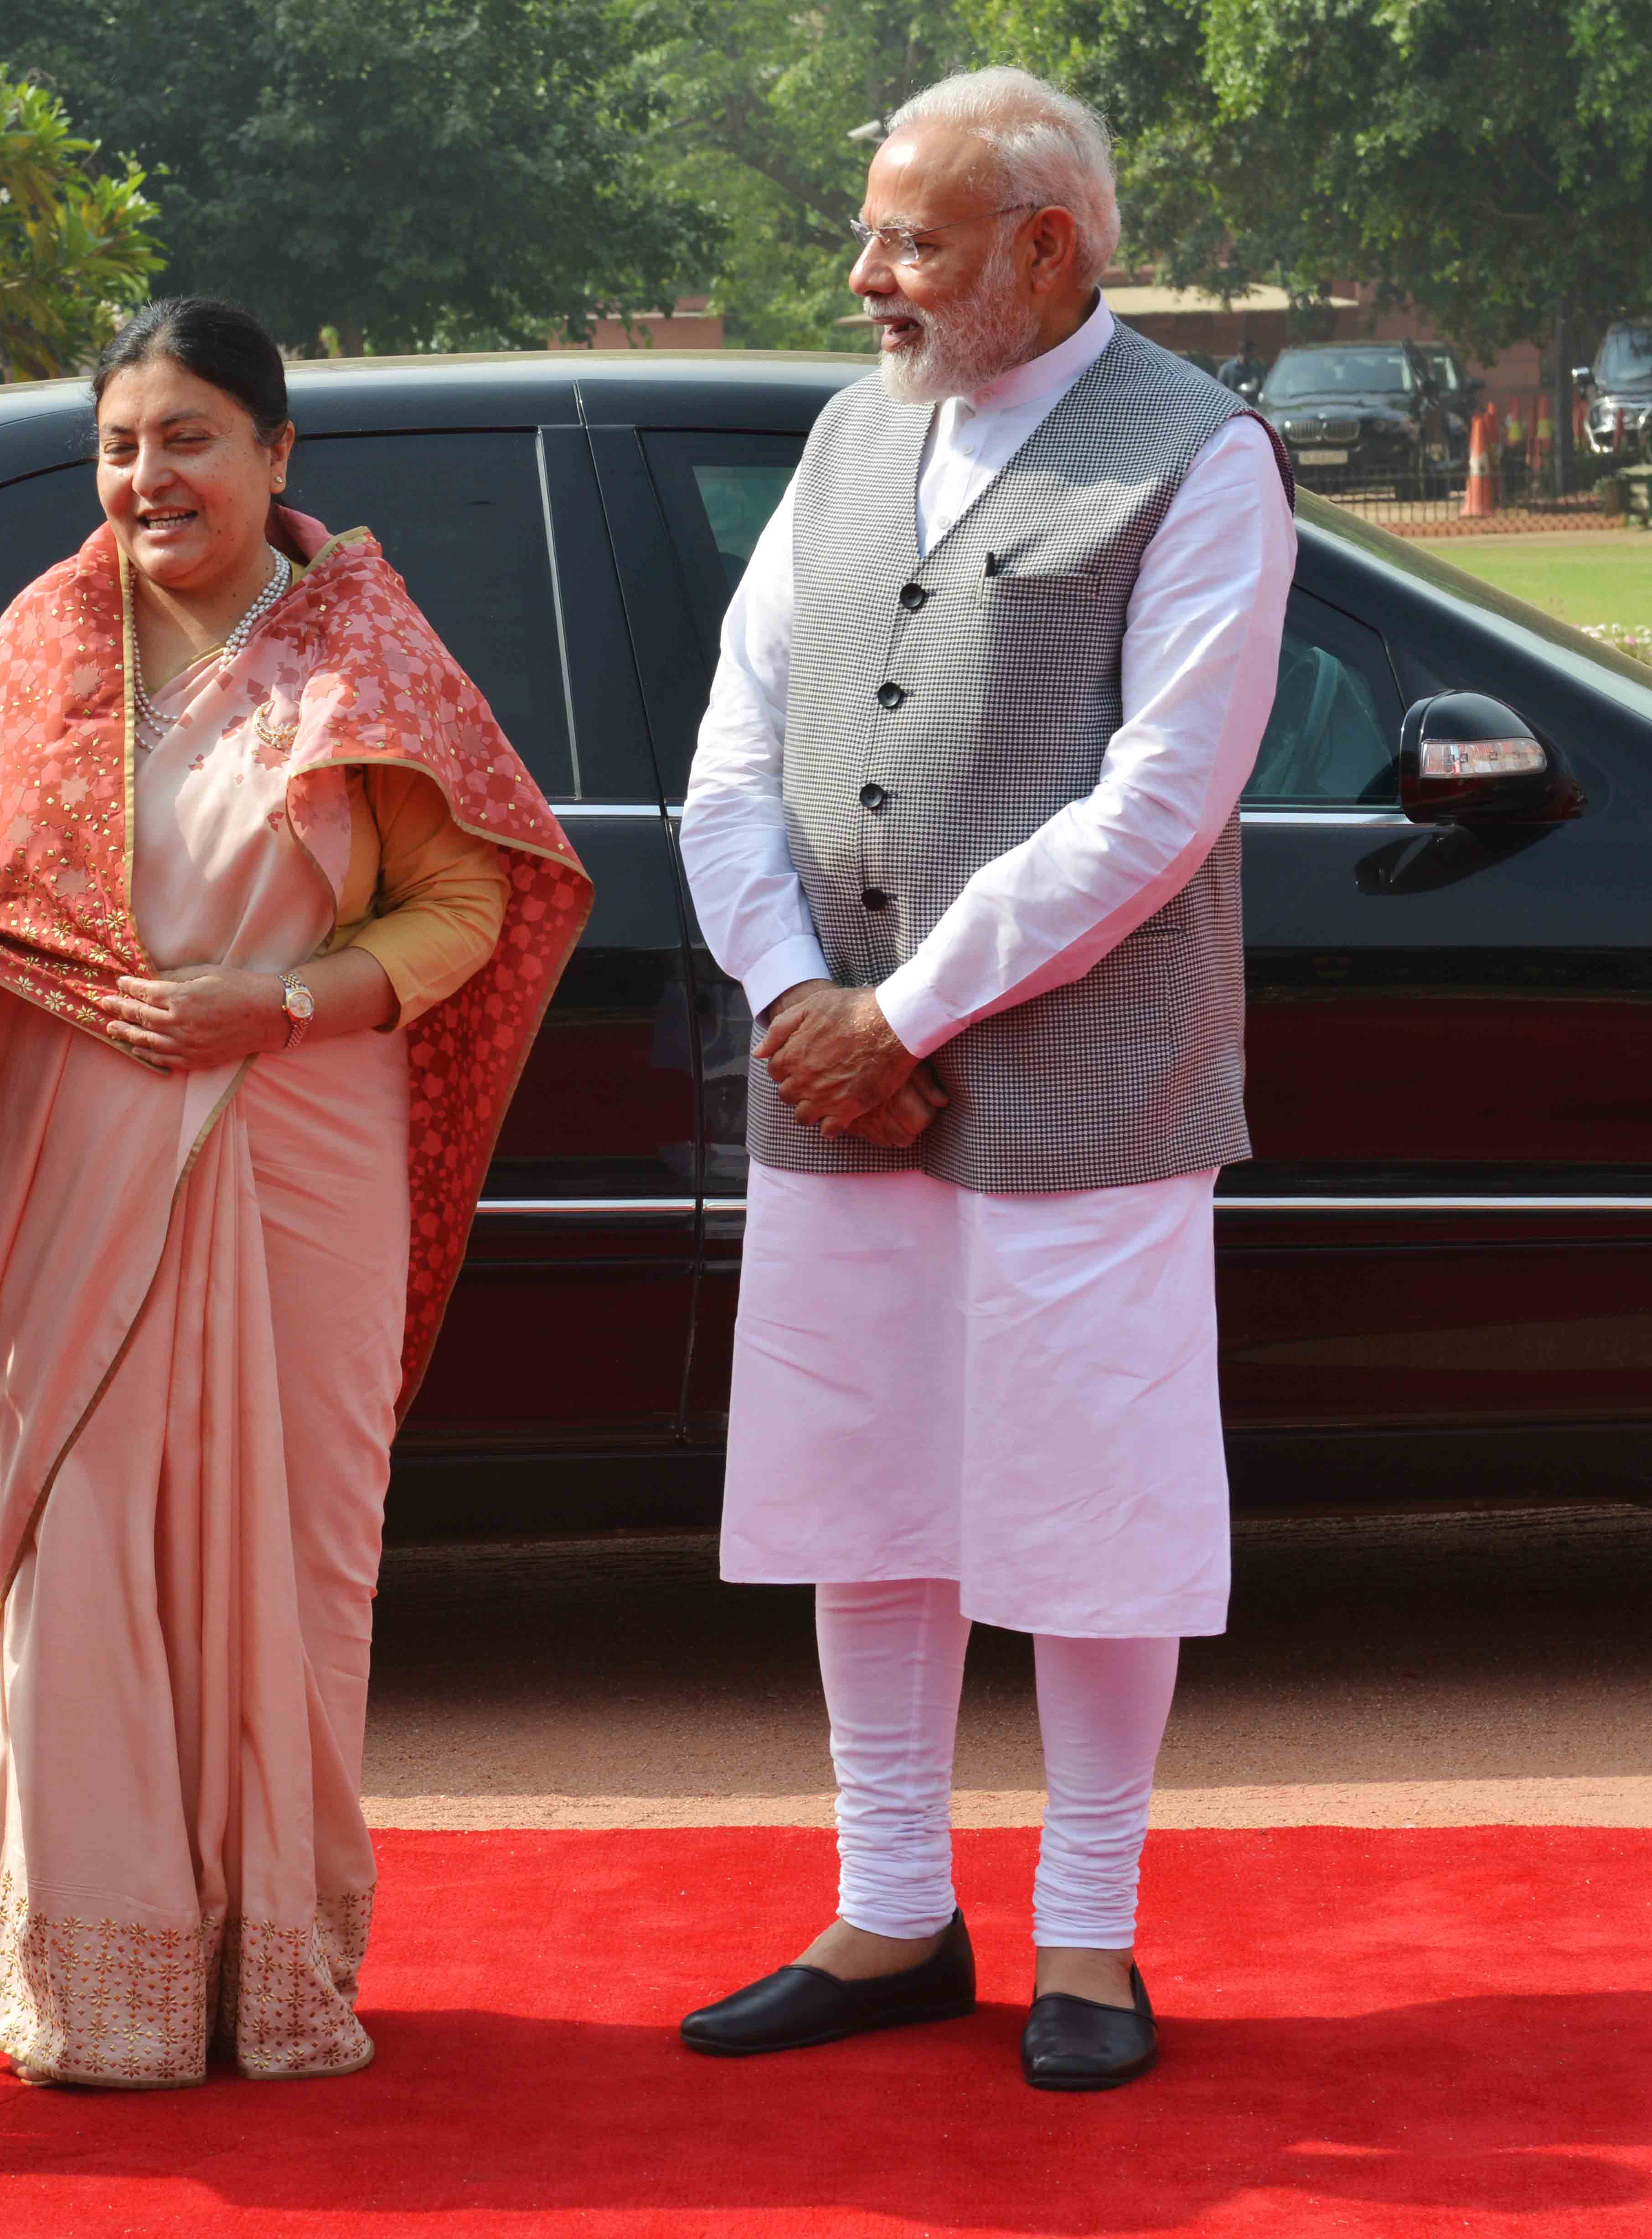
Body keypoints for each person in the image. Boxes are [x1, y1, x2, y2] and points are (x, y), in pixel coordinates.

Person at [0, 298, 594, 2088]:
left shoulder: (362, 649)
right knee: (80, 1549)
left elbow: (468, 903)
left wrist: (263, 1004)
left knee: (296, 1560)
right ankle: (94, 1991)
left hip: (301, 1147)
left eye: (187, 436)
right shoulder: (46, 644)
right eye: (119, 443)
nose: (147, 475)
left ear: (278, 455)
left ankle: (269, 1973)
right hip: (72, 1163)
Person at [671, 69, 1295, 2091]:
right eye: (869, 234)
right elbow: (730, 763)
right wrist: (793, 997)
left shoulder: (1199, 459)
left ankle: (1092, 1940)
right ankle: (888, 1912)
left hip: (1076, 1104)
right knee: (873, 1494)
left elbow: (1160, 806)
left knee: (1088, 1517)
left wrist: (897, 1017)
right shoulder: (852, 438)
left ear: (1047, 247)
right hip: (832, 1082)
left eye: (911, 242)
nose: (865, 279)